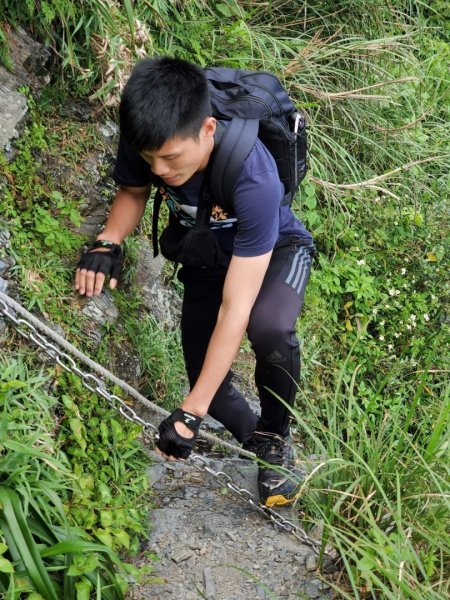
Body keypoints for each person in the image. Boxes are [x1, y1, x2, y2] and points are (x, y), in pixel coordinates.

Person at [75, 56, 316, 507]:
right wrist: (108, 243)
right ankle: (264, 445)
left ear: (207, 129)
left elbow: (237, 307)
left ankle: (277, 433)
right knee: (209, 381)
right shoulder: (147, 135)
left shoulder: (254, 176)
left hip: (275, 249)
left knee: (270, 327)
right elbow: (133, 190)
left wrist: (190, 412)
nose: (161, 169)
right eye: (152, 159)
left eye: (171, 157)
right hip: (208, 255)